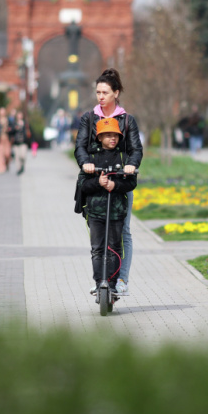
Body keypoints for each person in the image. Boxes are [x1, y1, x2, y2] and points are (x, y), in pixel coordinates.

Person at [75, 68, 143, 296]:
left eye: (105, 92)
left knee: (123, 231)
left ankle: (121, 280)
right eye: (98, 92)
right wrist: (85, 163)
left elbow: (136, 150)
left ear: (116, 93)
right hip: (94, 181)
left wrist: (131, 165)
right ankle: (100, 279)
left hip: (119, 181)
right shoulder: (89, 118)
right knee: (97, 235)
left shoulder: (126, 121)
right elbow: (80, 147)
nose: (100, 96)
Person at [78, 118, 137, 296]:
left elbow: (131, 182)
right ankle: (99, 283)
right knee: (97, 249)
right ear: (99, 137)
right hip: (96, 211)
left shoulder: (122, 157)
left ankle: (112, 283)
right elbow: (83, 184)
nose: (113, 139)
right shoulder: (91, 158)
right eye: (108, 135)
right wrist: (97, 181)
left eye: (116, 136)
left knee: (114, 248)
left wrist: (116, 185)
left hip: (117, 212)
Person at [9, 110, 31, 175]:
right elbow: (10, 132)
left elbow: (29, 132)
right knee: (17, 157)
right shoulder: (14, 123)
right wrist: (15, 128)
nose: (19, 116)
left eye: (20, 115)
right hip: (16, 142)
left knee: (23, 156)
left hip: (23, 142)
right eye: (18, 115)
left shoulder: (25, 123)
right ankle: (19, 169)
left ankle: (22, 165)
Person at [0, 107, 12, 174]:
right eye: (1, 113)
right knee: (0, 155)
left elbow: (12, 129)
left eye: (3, 113)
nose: (2, 114)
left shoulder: (8, 121)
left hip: (7, 140)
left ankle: (7, 164)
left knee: (7, 154)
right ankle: (1, 168)